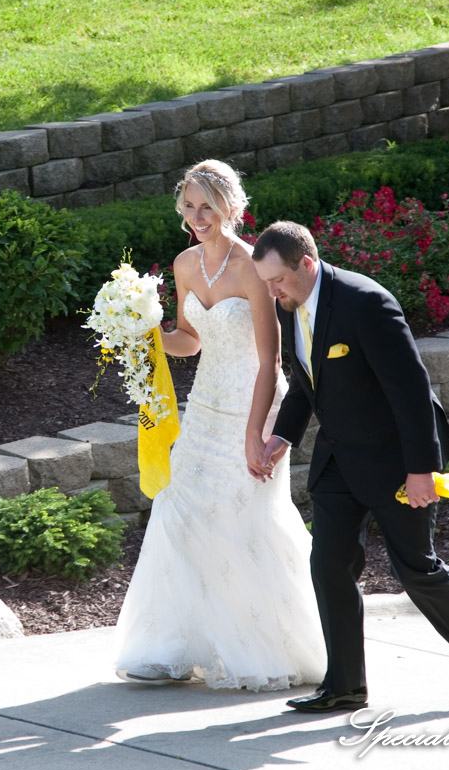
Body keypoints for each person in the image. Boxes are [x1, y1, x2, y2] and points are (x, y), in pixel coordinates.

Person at [250, 221, 449, 713]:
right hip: (338, 459)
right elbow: (307, 383)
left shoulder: (366, 302)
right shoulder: (289, 305)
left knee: (414, 567)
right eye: (265, 282)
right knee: (328, 564)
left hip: (394, 459)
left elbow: (410, 389)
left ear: (306, 264)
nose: (271, 290)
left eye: (277, 279)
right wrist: (281, 436)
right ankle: (345, 685)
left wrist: (422, 469)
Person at [113, 161, 325, 691]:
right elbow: (192, 339)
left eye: (207, 205)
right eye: (188, 205)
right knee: (179, 509)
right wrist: (141, 333)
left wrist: (256, 434)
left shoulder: (254, 266)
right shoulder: (185, 265)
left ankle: (270, 647)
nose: (197, 216)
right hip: (205, 404)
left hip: (254, 401)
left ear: (232, 206)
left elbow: (270, 361)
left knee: (244, 519)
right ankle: (176, 647)